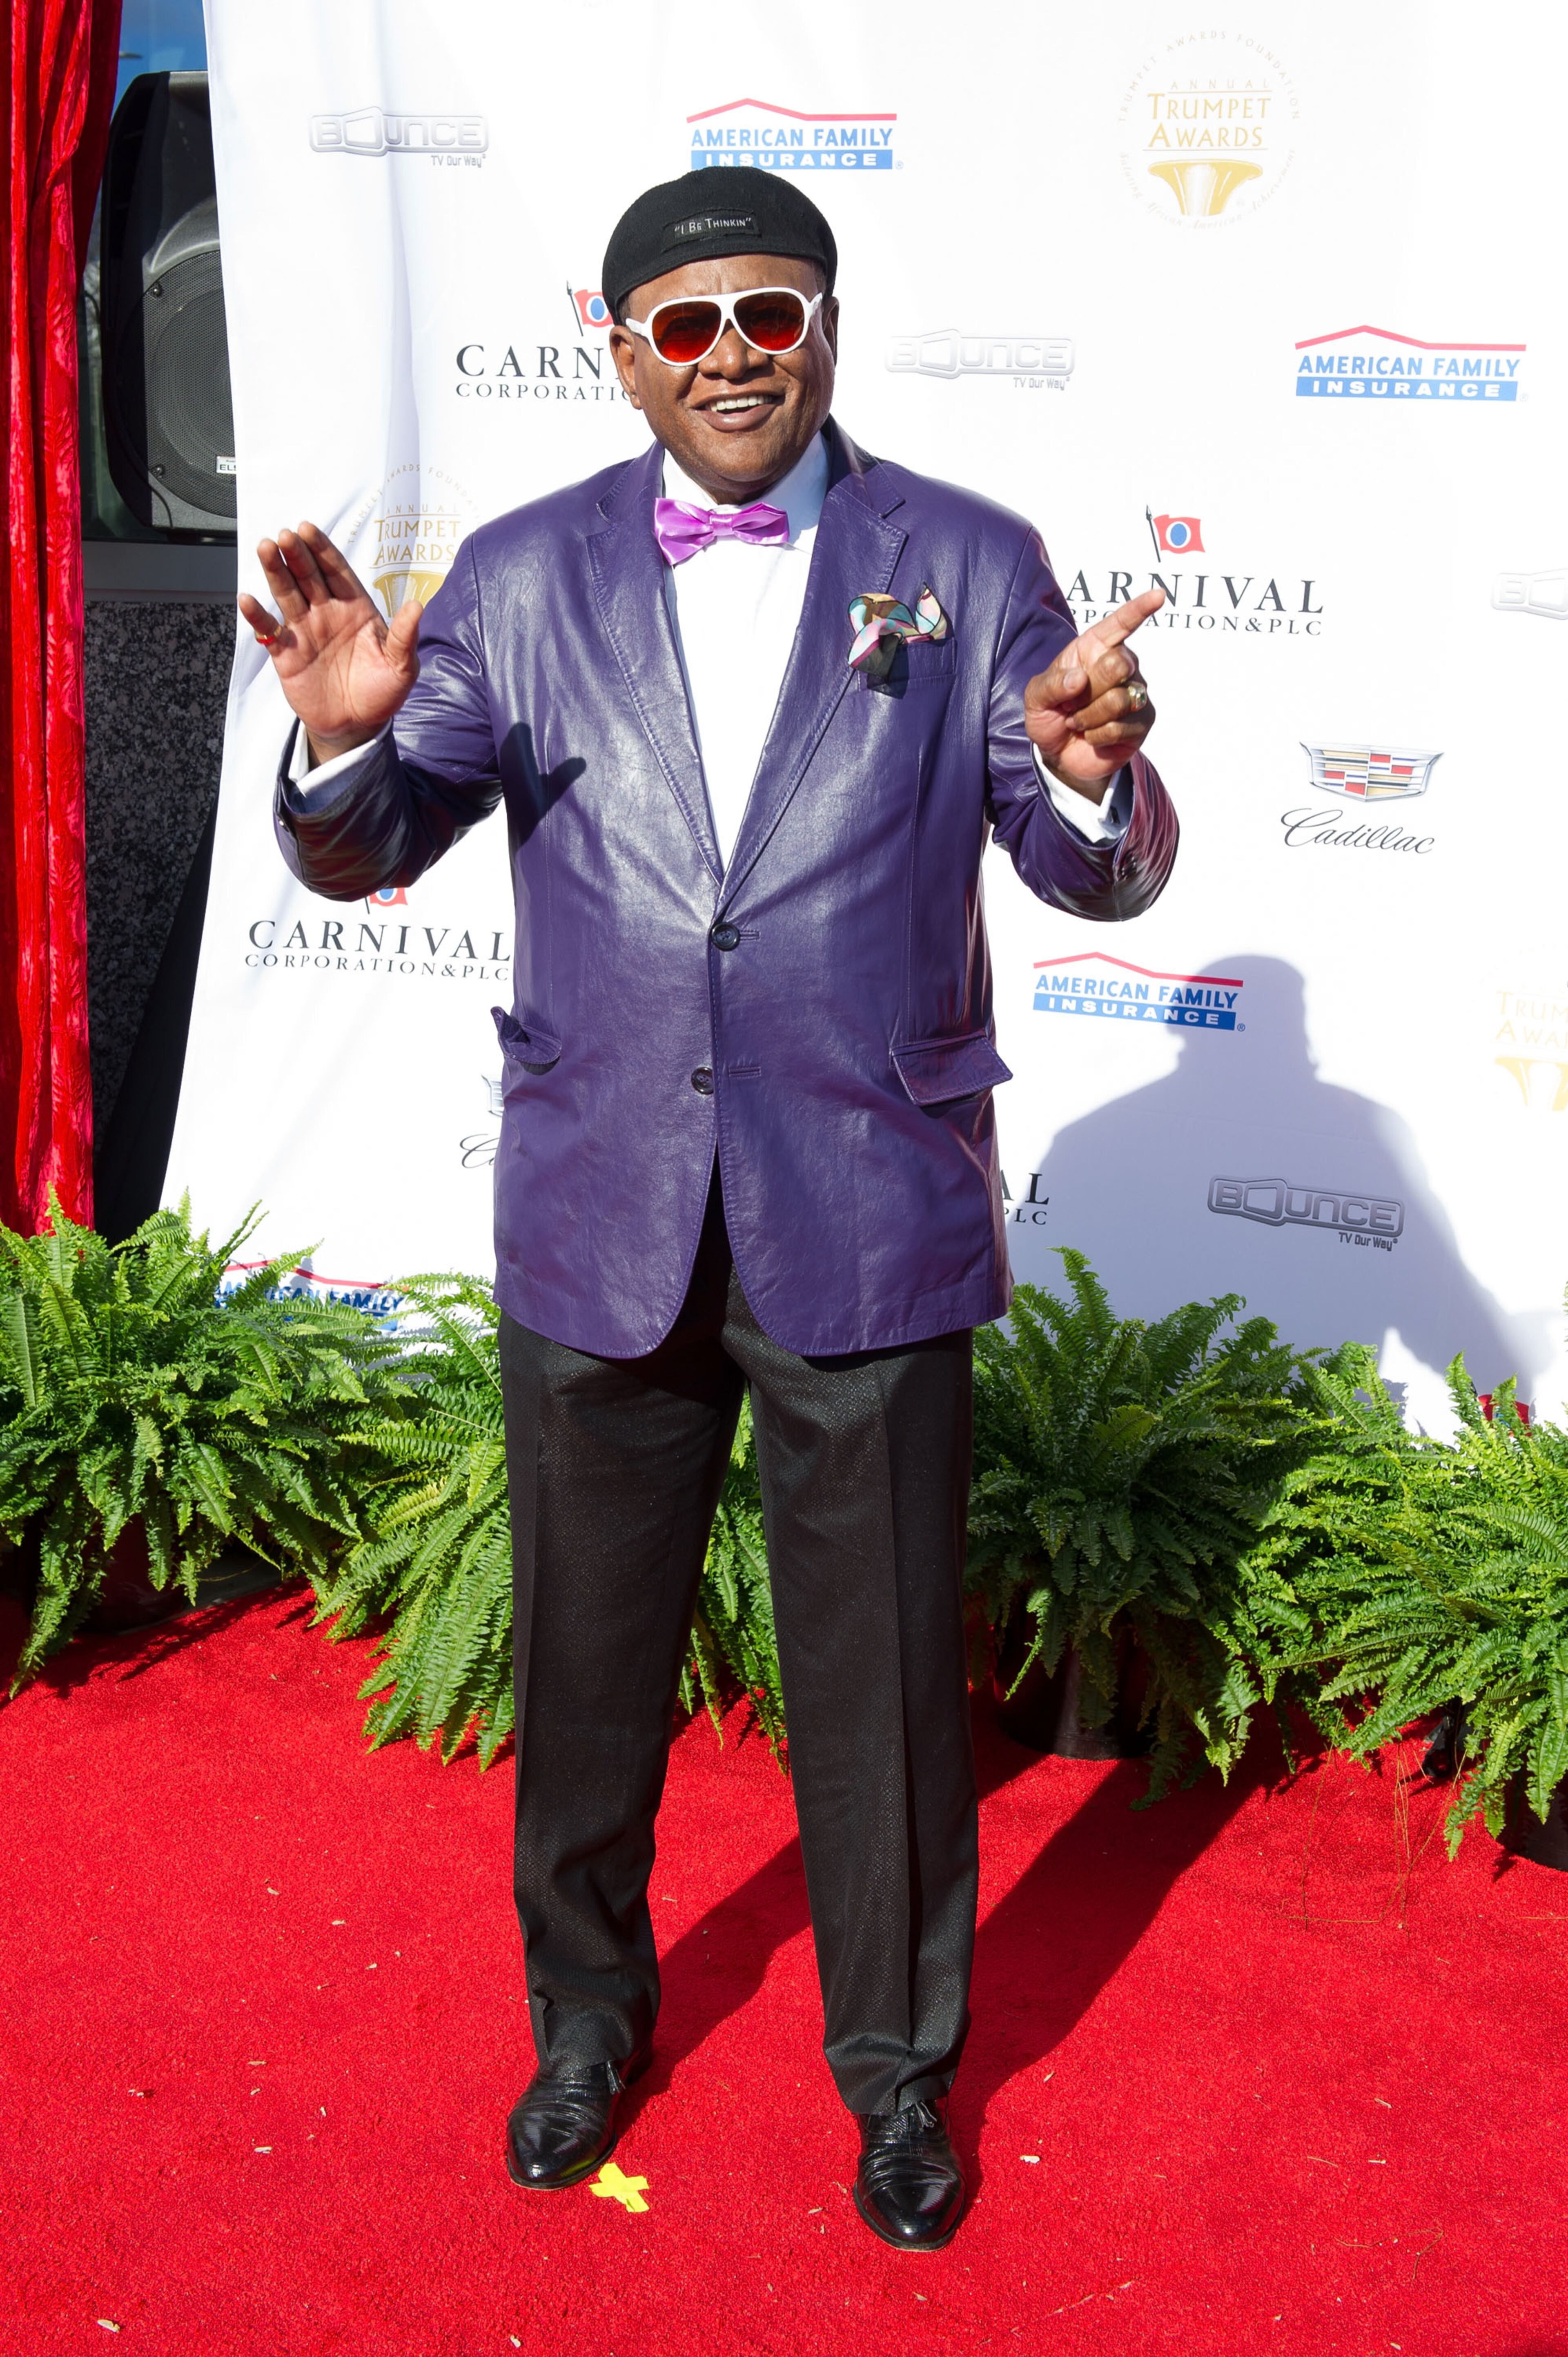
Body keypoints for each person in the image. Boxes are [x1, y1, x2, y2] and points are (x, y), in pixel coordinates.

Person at [241, 169, 1178, 2253]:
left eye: (772, 310)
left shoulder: (969, 560)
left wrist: (1086, 772)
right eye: (686, 322)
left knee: (887, 1698)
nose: (733, 352)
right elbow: (377, 843)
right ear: (621, 350)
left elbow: (1088, 867)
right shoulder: (518, 575)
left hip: (868, 1199)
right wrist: (338, 751)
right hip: (607, 1206)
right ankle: (583, 2023)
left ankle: (900, 2079)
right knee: (586, 1668)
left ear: (827, 326)